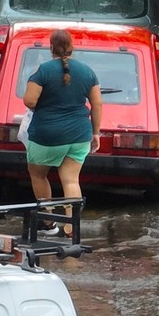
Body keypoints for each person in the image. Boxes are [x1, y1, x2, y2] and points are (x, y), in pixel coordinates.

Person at [23, 29, 102, 230]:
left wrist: (43, 104)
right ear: (72, 47)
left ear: (51, 48)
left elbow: (29, 100)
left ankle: (48, 220)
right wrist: (96, 132)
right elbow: (97, 105)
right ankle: (71, 228)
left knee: (38, 174)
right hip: (79, 135)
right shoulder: (87, 71)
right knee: (70, 180)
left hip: (46, 136)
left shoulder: (43, 70)